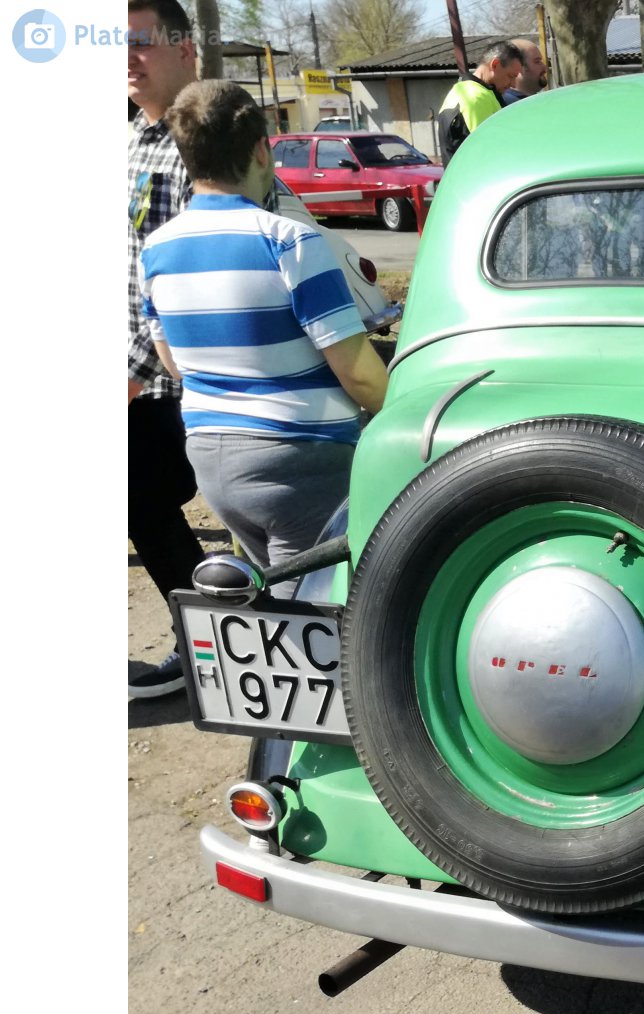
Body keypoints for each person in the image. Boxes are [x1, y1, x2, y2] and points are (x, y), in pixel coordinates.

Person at [140, 80, 390, 598]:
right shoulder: (288, 240)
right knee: (318, 615)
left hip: (213, 461)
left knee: (276, 603)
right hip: (301, 461)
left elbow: (173, 364)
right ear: (261, 149)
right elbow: (359, 372)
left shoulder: (157, 250)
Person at [127, 0, 203, 698]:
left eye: (140, 43)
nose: (127, 59)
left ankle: (211, 651)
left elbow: (187, 278)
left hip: (164, 382)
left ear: (185, 46)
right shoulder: (130, 140)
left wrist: (136, 373)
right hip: (126, 370)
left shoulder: (200, 142)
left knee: (149, 508)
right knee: (145, 513)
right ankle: (206, 645)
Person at [437, 41, 525, 165]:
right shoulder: (476, 97)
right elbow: (490, 153)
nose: (513, 84)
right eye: (511, 76)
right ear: (495, 64)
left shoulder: (461, 91)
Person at [501, 39, 549, 105]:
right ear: (518, 66)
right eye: (537, 62)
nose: (544, 67)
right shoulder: (506, 106)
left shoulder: (541, 101)